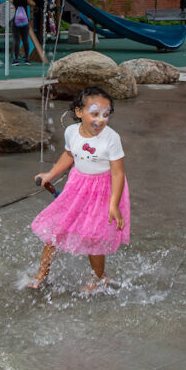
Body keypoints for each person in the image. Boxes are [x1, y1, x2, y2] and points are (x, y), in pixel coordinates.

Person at [29, 86, 129, 292]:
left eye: (105, 115)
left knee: (94, 236)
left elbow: (118, 173)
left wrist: (114, 204)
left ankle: (100, 277)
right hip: (77, 185)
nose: (100, 120)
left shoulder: (111, 138)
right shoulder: (71, 132)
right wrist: (50, 175)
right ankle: (42, 273)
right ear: (79, 112)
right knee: (56, 229)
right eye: (94, 114)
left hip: (103, 190)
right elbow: (69, 155)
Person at [10, 0, 33, 65]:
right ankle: (27, 59)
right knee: (25, 40)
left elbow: (8, 6)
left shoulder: (13, 0)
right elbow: (33, 4)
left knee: (16, 41)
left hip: (15, 22)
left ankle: (16, 59)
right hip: (25, 22)